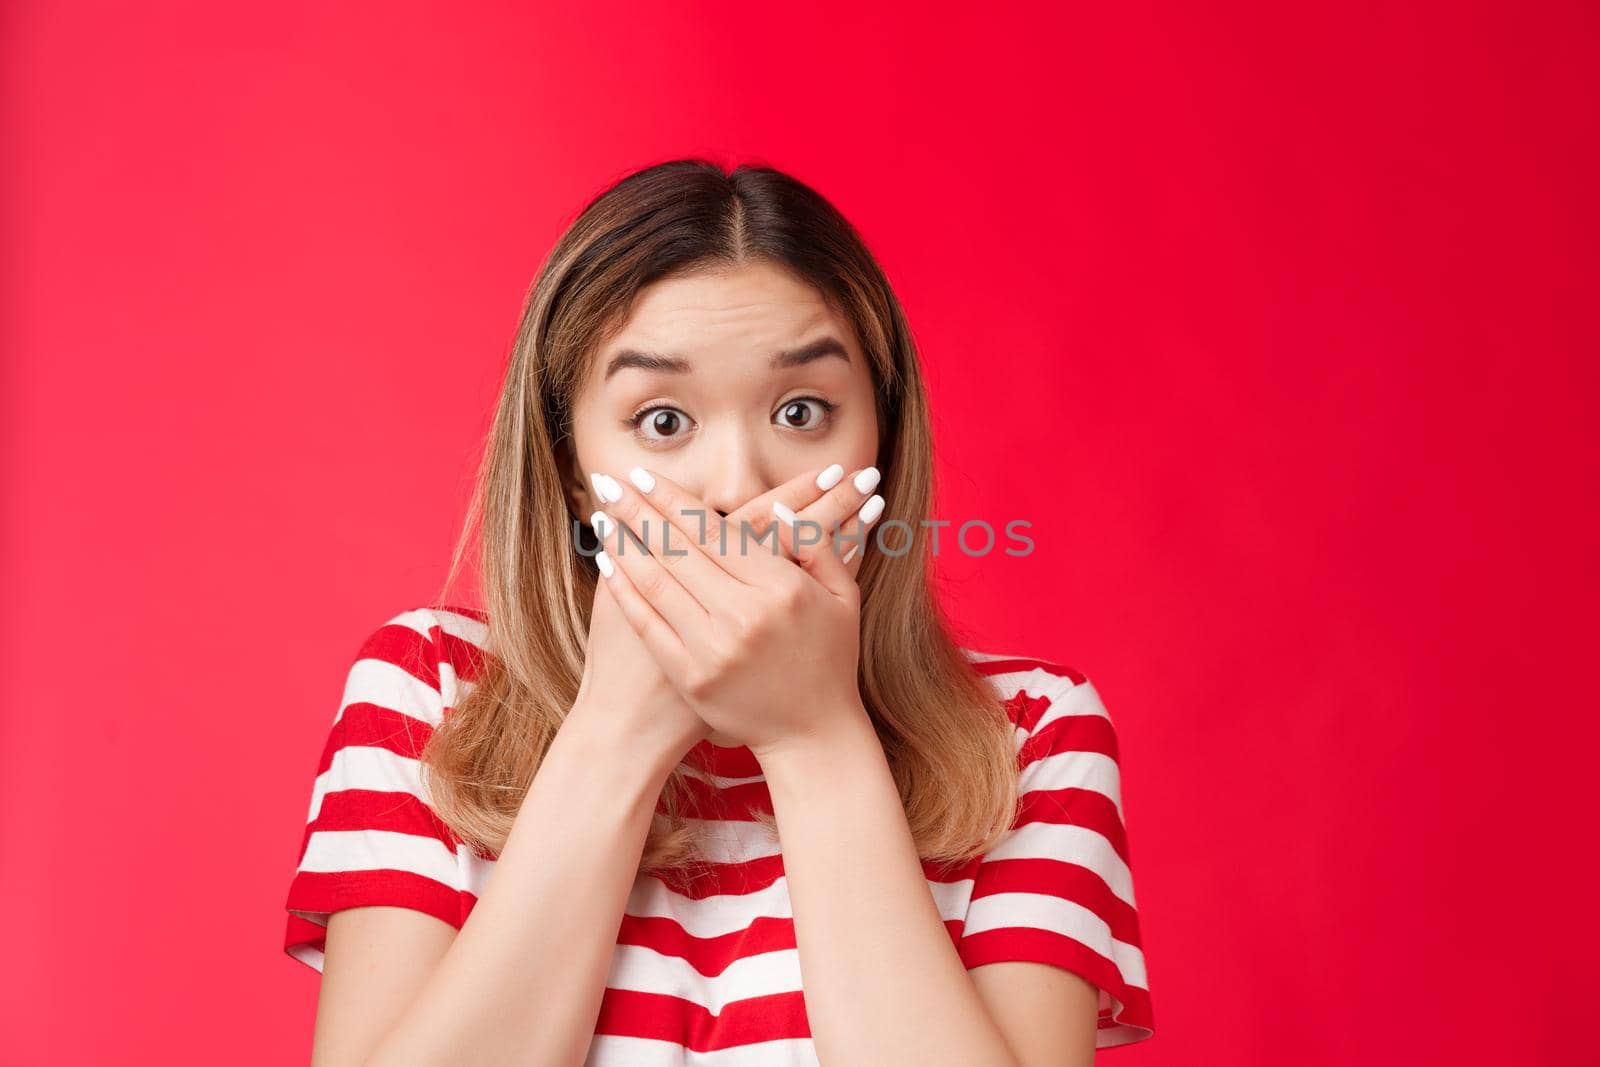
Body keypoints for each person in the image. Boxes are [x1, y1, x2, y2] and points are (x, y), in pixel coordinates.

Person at [282, 159, 1155, 1065]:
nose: (738, 486)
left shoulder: (1031, 736)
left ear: (884, 445)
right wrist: (618, 730)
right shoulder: (429, 697)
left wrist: (814, 738)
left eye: (803, 409)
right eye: (663, 421)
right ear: (574, 468)